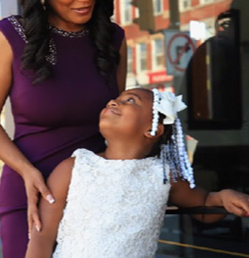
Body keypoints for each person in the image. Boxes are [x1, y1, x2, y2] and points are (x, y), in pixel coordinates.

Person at [0, 0, 127, 258]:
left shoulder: (113, 39)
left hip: (95, 198)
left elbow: (116, 129)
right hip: (31, 194)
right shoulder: (10, 37)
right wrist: (26, 170)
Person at [25, 88, 249, 258]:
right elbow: (42, 235)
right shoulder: (74, 167)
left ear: (154, 129)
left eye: (130, 100)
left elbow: (203, 206)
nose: (114, 101)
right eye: (117, 99)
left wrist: (224, 198)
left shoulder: (162, 175)